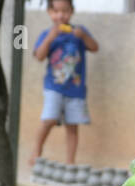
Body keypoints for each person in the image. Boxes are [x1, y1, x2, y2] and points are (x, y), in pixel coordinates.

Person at [29, 0, 98, 166]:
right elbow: (39, 56)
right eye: (57, 11)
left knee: (72, 126)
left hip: (75, 89)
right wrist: (51, 38)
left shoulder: (79, 33)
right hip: (54, 87)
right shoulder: (47, 34)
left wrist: (84, 36)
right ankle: (36, 150)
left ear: (72, 11)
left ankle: (70, 163)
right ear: (50, 13)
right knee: (49, 119)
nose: (61, 15)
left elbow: (94, 47)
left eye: (65, 11)